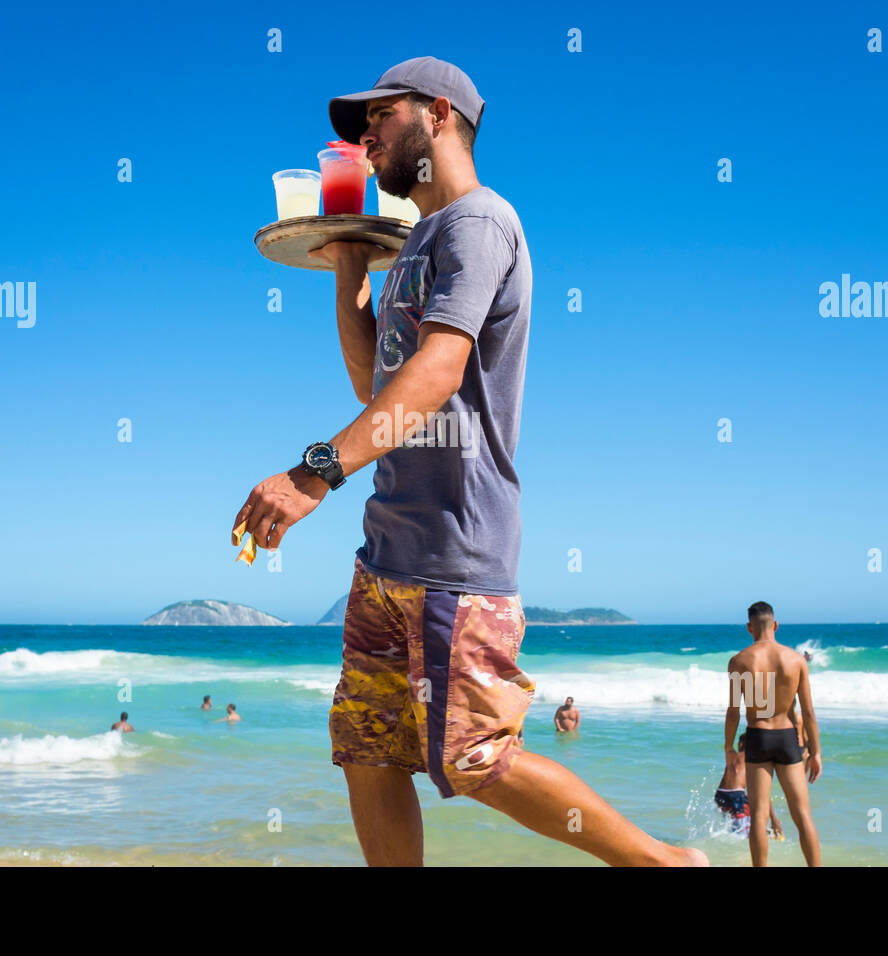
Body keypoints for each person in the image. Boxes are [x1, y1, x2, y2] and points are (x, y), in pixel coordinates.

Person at [232, 56, 704, 867]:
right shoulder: (418, 241)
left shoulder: (479, 223)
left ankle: (668, 864)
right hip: (386, 551)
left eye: (381, 116)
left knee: (472, 756)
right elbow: (375, 381)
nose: (364, 134)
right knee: (370, 750)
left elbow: (438, 371)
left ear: (440, 114)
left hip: (455, 553)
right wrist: (349, 262)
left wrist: (313, 473)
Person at [726, 601, 822, 866]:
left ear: (749, 627)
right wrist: (816, 753)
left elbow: (734, 711)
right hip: (788, 738)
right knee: (802, 815)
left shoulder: (739, 661)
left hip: (758, 737)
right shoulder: (796, 660)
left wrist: (729, 748)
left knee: (758, 815)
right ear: (776, 625)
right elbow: (809, 712)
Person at [716, 734, 784, 839]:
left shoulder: (733, 756)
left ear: (741, 744)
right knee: (742, 835)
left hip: (721, 795)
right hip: (736, 795)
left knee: (740, 827)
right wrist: (774, 819)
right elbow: (763, 792)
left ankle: (763, 835)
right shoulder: (753, 759)